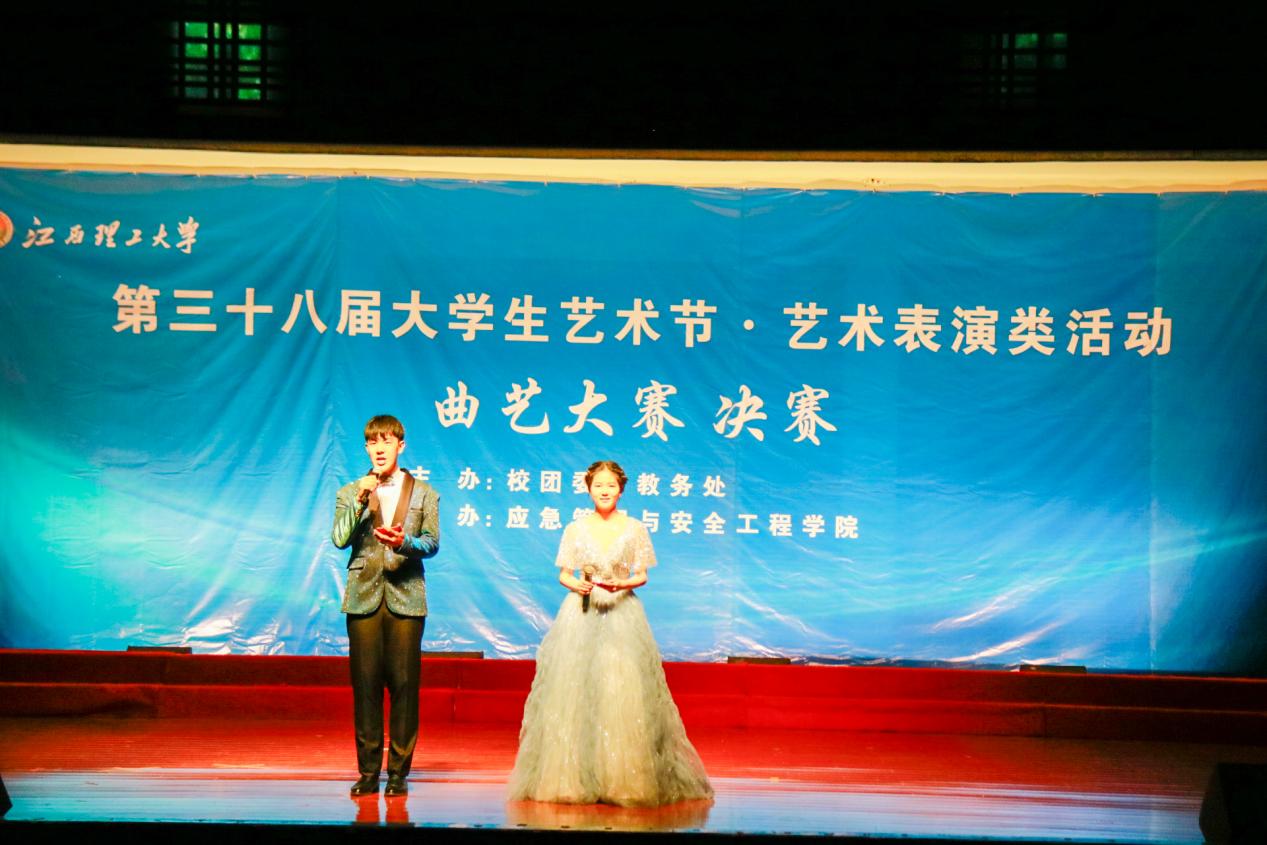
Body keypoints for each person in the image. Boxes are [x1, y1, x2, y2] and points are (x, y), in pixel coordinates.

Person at [507, 460, 712, 807]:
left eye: (611, 485)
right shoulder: (575, 528)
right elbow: (564, 574)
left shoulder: (634, 528)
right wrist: (577, 585)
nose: (604, 491)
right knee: (574, 692)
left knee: (622, 690)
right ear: (588, 489)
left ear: (621, 489)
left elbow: (642, 574)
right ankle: (571, 778)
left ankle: (624, 779)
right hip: (581, 613)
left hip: (621, 611)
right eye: (598, 485)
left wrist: (622, 583)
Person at [332, 415, 439, 797]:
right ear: (366, 448)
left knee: (405, 687)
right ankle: (367, 772)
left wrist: (402, 542)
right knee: (366, 687)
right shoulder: (350, 491)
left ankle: (398, 773)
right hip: (363, 596)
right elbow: (339, 538)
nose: (380, 448)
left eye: (387, 441)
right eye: (373, 442)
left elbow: (431, 543)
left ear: (400, 446)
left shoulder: (424, 493)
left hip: (406, 595)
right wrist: (360, 499)